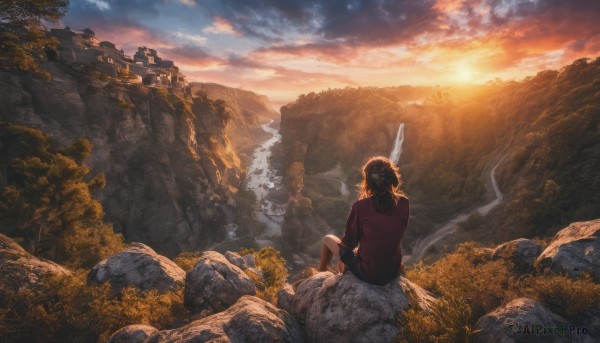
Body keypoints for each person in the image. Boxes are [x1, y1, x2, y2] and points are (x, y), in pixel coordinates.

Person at [317, 156, 409, 286]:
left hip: (368, 274)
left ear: (369, 181)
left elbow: (348, 244)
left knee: (327, 239)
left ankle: (319, 275)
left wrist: (345, 259)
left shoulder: (361, 206)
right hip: (392, 271)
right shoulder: (404, 203)